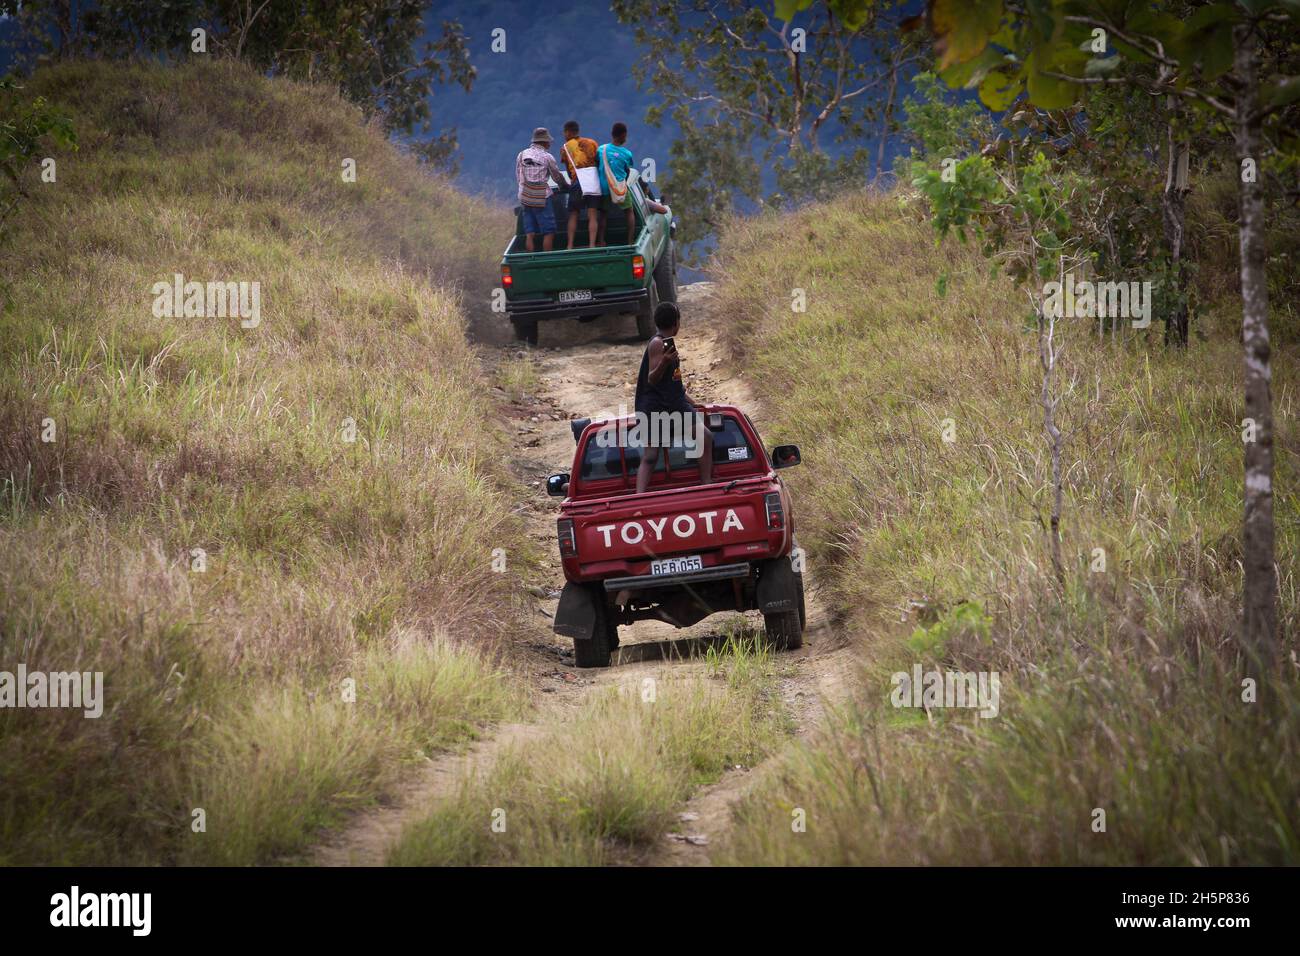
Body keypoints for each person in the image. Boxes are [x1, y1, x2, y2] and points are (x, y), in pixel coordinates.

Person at [633, 301, 713, 495]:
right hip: (656, 407)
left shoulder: (667, 342)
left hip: (674, 404)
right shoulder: (657, 343)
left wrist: (694, 403)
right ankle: (639, 496)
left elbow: (672, 382)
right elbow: (652, 378)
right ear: (676, 322)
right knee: (650, 455)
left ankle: (706, 484)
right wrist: (664, 362)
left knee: (704, 437)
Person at [515, 127, 566, 252]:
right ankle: (547, 257)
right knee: (549, 231)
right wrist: (564, 185)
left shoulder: (522, 155)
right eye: (548, 141)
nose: (550, 143)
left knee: (530, 232)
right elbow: (557, 176)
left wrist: (524, 190)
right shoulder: (547, 157)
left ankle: (530, 257)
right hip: (541, 196)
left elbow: (518, 175)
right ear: (543, 142)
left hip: (525, 195)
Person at [559, 120, 600, 249]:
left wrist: (573, 180)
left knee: (574, 214)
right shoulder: (592, 143)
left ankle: (570, 245)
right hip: (593, 181)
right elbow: (597, 162)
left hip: (577, 181)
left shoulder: (566, 147)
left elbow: (568, 169)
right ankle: (592, 244)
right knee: (592, 214)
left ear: (567, 132)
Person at [596, 122, 636, 247]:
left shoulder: (601, 150)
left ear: (612, 134)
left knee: (603, 213)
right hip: (619, 188)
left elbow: (597, 165)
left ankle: (601, 240)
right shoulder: (627, 153)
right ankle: (630, 241)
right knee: (629, 211)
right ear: (623, 135)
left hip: (604, 187)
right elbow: (627, 170)